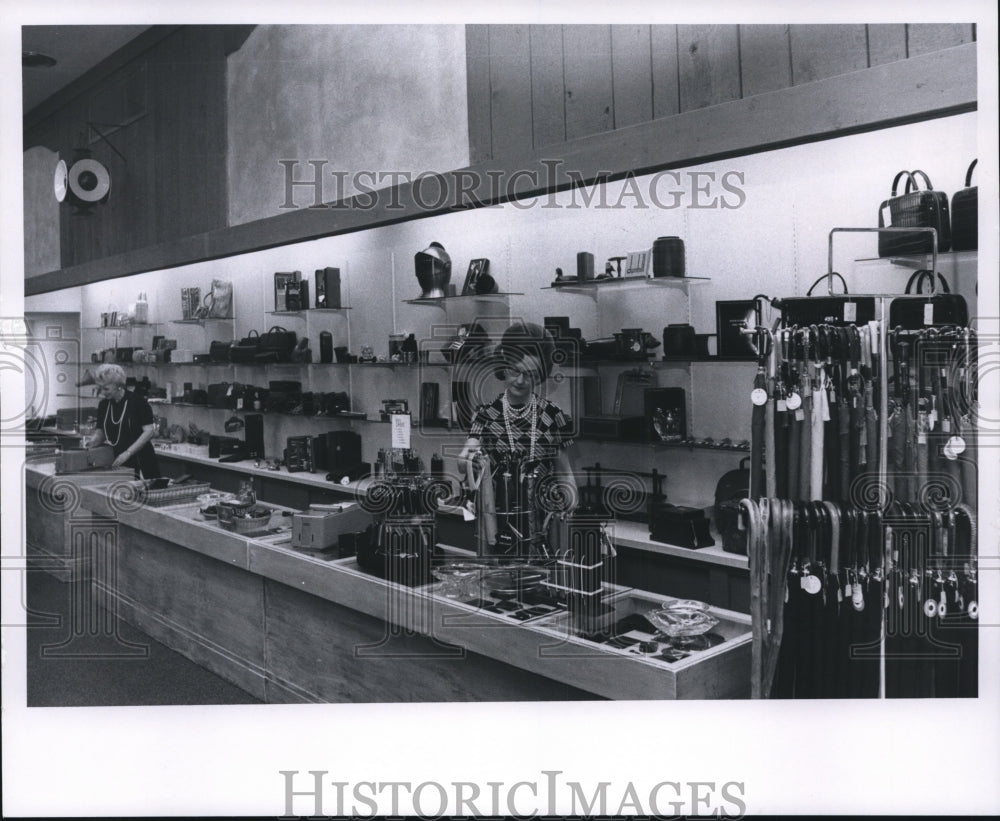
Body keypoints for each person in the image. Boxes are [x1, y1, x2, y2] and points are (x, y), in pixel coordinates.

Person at [458, 321, 577, 555]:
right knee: (495, 584)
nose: (521, 381)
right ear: (504, 367)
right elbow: (463, 462)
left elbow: (565, 472)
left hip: (544, 521)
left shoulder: (554, 416)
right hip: (496, 519)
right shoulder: (486, 415)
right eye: (515, 371)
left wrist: (572, 506)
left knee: (543, 584)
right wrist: (469, 459)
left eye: (530, 374)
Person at [86, 363, 161, 478]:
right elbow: (100, 431)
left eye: (106, 388)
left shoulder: (138, 402)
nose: (102, 392)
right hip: (118, 460)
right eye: (100, 388)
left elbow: (149, 431)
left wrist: (128, 453)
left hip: (140, 459)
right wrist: (92, 443)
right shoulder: (104, 405)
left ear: (119, 385)